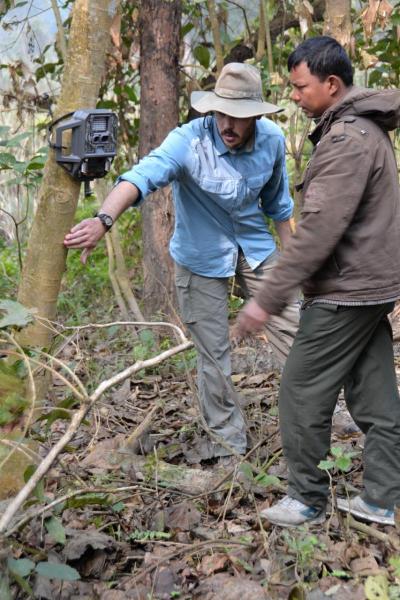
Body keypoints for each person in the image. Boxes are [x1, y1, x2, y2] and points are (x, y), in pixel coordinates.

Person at [64, 62, 299, 463]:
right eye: (222, 113)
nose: (229, 123)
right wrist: (104, 220)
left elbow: (279, 206)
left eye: (239, 117)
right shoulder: (188, 142)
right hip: (200, 255)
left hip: (257, 250)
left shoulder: (272, 141)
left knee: (301, 331)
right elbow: (141, 177)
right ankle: (229, 447)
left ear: (257, 116)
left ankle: (310, 422)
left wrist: (296, 266)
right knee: (214, 354)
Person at [236, 36, 400, 526]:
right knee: (374, 395)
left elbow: (316, 233)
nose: (294, 95)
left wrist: (265, 300)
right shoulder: (363, 129)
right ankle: (381, 499)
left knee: (301, 390)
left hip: (346, 291)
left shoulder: (347, 139)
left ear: (331, 84)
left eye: (300, 86)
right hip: (371, 286)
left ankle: (306, 498)